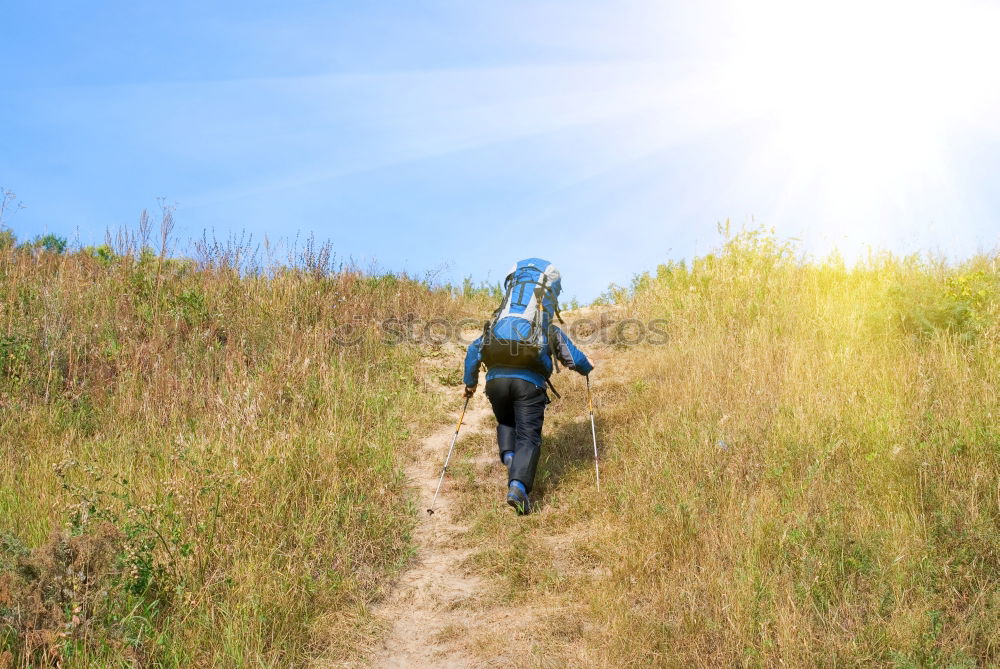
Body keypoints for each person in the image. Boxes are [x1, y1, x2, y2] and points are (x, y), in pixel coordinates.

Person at [463, 259, 593, 514]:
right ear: (549, 296)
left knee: (506, 422)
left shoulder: (500, 322)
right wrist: (587, 368)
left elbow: (473, 350)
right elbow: (574, 359)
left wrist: (470, 384)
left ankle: (510, 458)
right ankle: (518, 486)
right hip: (529, 385)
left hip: (496, 384)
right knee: (528, 436)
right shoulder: (544, 326)